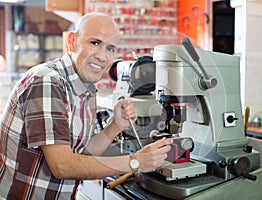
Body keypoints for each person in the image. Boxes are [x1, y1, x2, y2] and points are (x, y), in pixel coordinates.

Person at [0, 12, 172, 199]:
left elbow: (84, 151)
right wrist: (136, 162)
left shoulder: (86, 88)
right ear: (72, 41)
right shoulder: (48, 81)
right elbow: (62, 165)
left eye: (111, 49)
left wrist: (115, 126)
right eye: (95, 43)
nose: (102, 56)